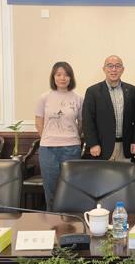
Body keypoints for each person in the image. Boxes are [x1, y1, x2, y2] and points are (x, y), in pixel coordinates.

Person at [35, 61, 83, 211]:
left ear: (71, 78)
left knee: (71, 188)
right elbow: (39, 122)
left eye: (66, 74)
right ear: (53, 77)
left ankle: (71, 223)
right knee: (51, 189)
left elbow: (81, 123)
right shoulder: (44, 97)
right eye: (59, 74)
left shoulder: (78, 98)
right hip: (48, 149)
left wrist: (73, 136)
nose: (63, 78)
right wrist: (48, 137)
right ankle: (53, 222)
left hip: (72, 148)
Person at [83, 55, 135, 161]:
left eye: (118, 66)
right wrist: (93, 144)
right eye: (110, 66)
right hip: (101, 147)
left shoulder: (133, 91)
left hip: (126, 147)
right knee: (102, 177)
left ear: (122, 70)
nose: (114, 69)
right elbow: (88, 120)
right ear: (104, 69)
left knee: (124, 177)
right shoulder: (93, 92)